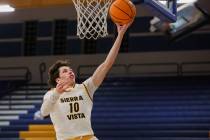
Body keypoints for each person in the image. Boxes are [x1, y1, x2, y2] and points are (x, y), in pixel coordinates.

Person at [40, 21, 133, 140]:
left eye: (70, 70)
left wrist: (120, 35)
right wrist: (57, 93)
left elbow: (106, 64)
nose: (70, 71)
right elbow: (43, 112)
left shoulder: (85, 87)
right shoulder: (51, 94)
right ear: (58, 80)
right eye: (65, 71)